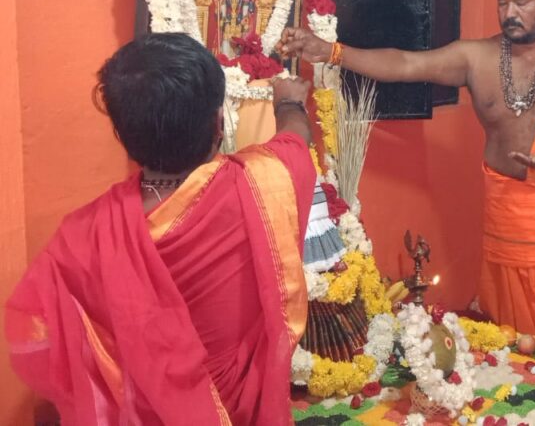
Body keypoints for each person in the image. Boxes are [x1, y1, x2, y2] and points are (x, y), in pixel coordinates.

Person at [276, 0, 535, 347]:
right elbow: (405, 63)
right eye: (502, 2)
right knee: (509, 334)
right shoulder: (476, 58)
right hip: (504, 214)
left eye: (522, 2)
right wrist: (330, 51)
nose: (509, 13)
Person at [5, 33, 316, 425]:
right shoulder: (265, 184)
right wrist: (289, 102)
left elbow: (38, 339)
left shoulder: (82, 238)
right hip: (241, 412)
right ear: (218, 122)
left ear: (122, 135)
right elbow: (295, 138)